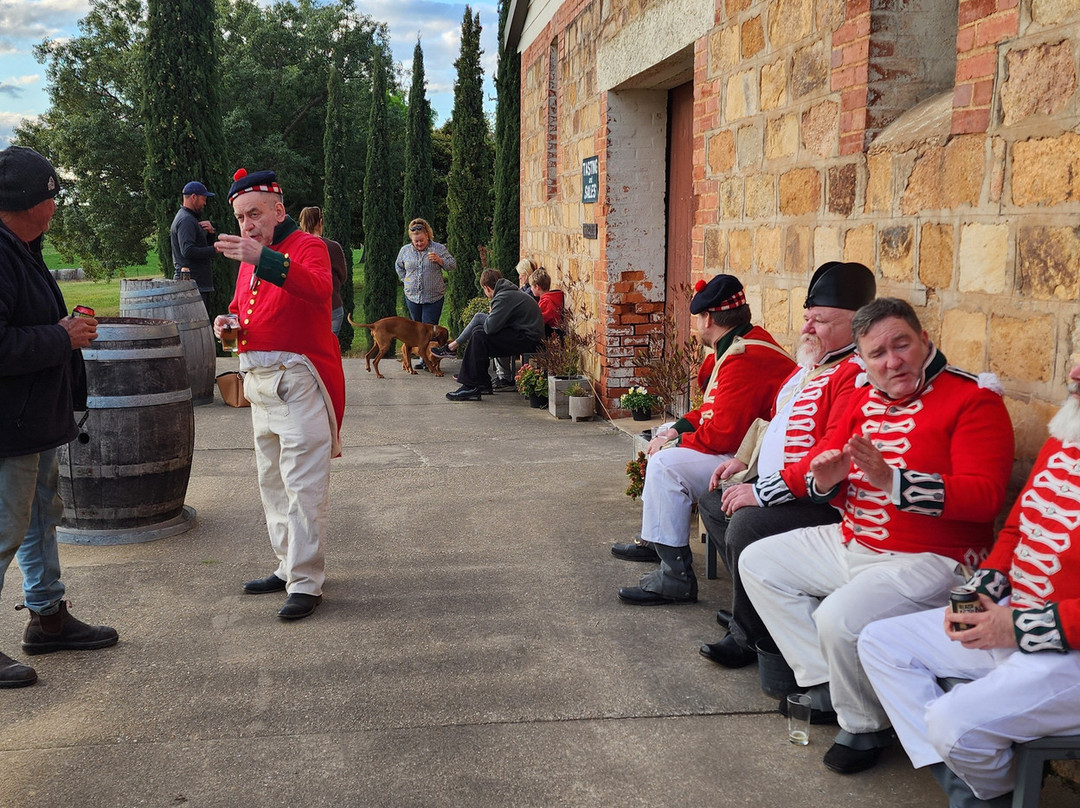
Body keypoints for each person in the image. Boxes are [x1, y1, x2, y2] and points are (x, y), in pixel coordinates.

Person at [739, 297, 1015, 775]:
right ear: (862, 360)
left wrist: (895, 482)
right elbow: (828, 465)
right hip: (854, 541)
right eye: (878, 354)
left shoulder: (974, 399)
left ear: (923, 340)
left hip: (934, 558)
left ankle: (867, 724)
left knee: (838, 619)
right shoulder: (863, 397)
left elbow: (987, 497)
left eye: (901, 345)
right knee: (759, 563)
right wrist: (826, 481)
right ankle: (828, 681)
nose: (892, 362)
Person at [858, 359, 1080, 808]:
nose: (1074, 373)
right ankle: (985, 791)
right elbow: (1017, 530)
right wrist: (985, 587)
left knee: (950, 723)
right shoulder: (1065, 436)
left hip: (1068, 652)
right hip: (1014, 614)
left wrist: (1015, 628)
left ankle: (988, 791)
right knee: (880, 642)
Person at [695, 262, 875, 669]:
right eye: (808, 318)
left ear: (858, 324)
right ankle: (756, 609)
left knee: (745, 523)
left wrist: (759, 492)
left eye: (822, 321)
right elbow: (772, 422)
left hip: (821, 499)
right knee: (713, 503)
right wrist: (743, 459)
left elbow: (829, 453)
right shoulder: (809, 365)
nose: (808, 328)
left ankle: (747, 634)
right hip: (781, 484)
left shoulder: (855, 373)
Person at [0, 145, 118, 688]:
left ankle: (48, 620)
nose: (55, 207)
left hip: (33, 418)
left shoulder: (21, 246)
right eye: (50, 197)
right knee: (5, 528)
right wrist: (60, 336)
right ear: (24, 202)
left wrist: (60, 329)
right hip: (9, 426)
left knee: (42, 515)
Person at [613, 274, 796, 606]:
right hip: (747, 445)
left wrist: (674, 443)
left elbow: (723, 433)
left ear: (708, 318)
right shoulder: (741, 344)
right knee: (663, 438)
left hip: (754, 457)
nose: (697, 325)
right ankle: (659, 543)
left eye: (697, 318)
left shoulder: (742, 358)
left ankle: (676, 577)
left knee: (667, 466)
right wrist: (675, 429)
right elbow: (712, 411)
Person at [213, 168, 345, 621]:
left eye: (254, 213)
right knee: (271, 483)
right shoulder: (251, 256)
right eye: (240, 216)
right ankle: (288, 565)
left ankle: (307, 582)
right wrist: (227, 322)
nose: (247, 223)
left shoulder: (308, 247)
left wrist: (261, 257)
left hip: (298, 383)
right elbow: (241, 308)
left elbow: (320, 290)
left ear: (279, 211)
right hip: (260, 387)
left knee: (302, 485)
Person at [445, 268, 545, 401]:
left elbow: (490, 328)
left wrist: (490, 314)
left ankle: (471, 386)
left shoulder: (503, 297)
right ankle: (481, 384)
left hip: (529, 339)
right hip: (526, 335)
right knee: (478, 332)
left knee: (480, 336)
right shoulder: (507, 293)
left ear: (486, 288)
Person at [395, 218, 456, 327]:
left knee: (428, 331)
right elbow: (399, 267)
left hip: (433, 298)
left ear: (427, 236)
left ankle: (431, 344)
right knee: (416, 330)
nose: (419, 243)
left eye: (421, 240)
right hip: (412, 298)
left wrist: (440, 260)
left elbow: (452, 265)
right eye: (416, 241)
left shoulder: (438, 248)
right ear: (411, 239)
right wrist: (407, 281)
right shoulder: (405, 250)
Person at [297, 206, 348, 335]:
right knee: (328, 349)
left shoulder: (296, 247)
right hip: (332, 304)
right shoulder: (333, 247)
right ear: (320, 222)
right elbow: (343, 276)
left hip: (304, 307)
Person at [169, 180, 217, 315]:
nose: (205, 203)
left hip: (196, 284)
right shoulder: (186, 220)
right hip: (192, 285)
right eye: (203, 199)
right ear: (193, 197)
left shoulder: (189, 218)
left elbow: (198, 246)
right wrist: (215, 249)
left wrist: (210, 234)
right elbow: (188, 251)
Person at [529, 267, 564, 335]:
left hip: (552, 333)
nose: (531, 289)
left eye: (532, 286)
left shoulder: (545, 301)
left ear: (537, 287)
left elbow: (539, 321)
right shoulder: (553, 297)